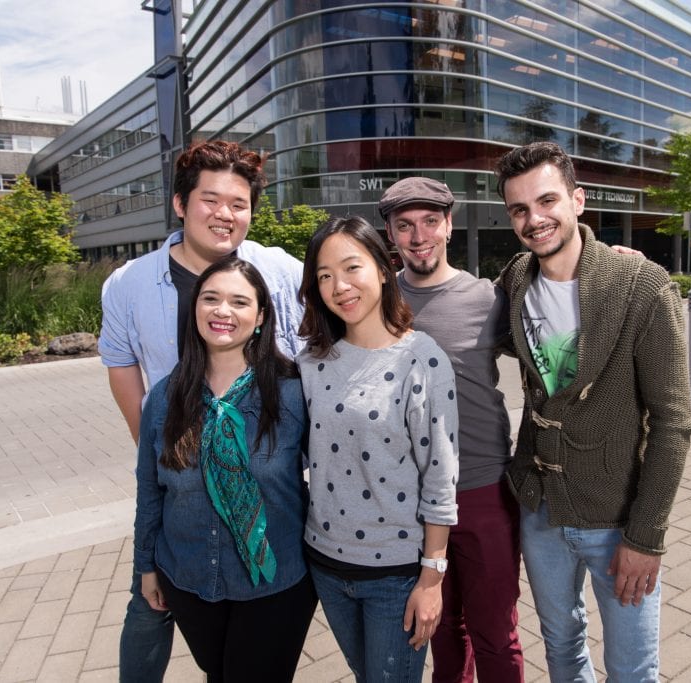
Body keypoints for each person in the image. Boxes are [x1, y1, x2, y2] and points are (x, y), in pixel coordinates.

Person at [99, 140, 304, 681]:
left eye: (238, 203)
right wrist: (164, 451)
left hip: (263, 495)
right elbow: (123, 368)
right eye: (210, 200)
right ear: (179, 203)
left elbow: (338, 312)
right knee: (151, 606)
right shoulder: (130, 283)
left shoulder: (277, 269)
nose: (225, 214)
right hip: (181, 491)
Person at [493, 141, 691, 682]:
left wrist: (646, 537)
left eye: (546, 201)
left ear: (578, 201)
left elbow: (673, 423)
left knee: (632, 669)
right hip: (541, 511)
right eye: (519, 209)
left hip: (618, 520)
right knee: (561, 648)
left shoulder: (642, 287)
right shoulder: (516, 280)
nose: (534, 219)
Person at [134, 256, 317, 681]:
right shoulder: (165, 398)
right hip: (188, 578)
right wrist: (146, 567)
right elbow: (150, 489)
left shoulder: (292, 393)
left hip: (277, 583)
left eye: (239, 301)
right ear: (195, 308)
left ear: (260, 317)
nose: (222, 311)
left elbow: (329, 478)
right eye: (211, 298)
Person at [297, 215, 459, 683]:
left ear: (384, 270)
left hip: (396, 575)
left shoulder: (422, 358)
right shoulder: (311, 362)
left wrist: (432, 579)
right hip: (325, 564)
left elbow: (440, 477)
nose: (339, 286)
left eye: (351, 268)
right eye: (324, 276)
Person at [377, 177, 524, 683]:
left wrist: (612, 264)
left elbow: (560, 323)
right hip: (410, 501)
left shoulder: (489, 299)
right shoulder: (375, 304)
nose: (419, 236)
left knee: (495, 634)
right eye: (405, 226)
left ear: (449, 226)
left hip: (483, 489)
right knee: (439, 633)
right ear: (391, 235)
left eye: (429, 222)